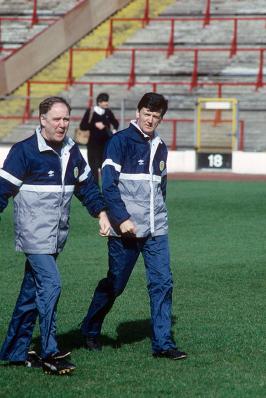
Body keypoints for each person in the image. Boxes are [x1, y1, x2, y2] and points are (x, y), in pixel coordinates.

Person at [0, 96, 110, 375]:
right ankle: (50, 352)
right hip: (33, 236)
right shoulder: (24, 151)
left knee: (30, 294)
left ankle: (14, 351)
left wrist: (101, 213)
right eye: (57, 119)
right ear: (42, 120)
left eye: (66, 119)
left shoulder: (72, 151)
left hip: (56, 237)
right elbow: (2, 190)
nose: (62, 125)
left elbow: (86, 187)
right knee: (51, 285)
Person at [81, 92, 187, 360]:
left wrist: (159, 215)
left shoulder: (160, 145)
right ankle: (90, 329)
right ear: (138, 112)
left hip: (156, 230)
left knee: (162, 283)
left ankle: (163, 344)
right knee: (115, 284)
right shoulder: (119, 142)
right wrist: (122, 218)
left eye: (156, 116)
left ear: (161, 118)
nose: (151, 119)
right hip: (126, 230)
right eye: (147, 113)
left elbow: (161, 187)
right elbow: (108, 185)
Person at [79, 92, 119, 184]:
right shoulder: (91, 111)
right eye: (105, 101)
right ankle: (95, 190)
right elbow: (82, 126)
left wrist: (113, 130)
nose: (107, 103)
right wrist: (94, 124)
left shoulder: (108, 112)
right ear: (99, 102)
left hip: (105, 145)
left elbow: (115, 123)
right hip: (92, 145)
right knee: (93, 168)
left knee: (105, 167)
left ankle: (106, 188)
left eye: (107, 101)